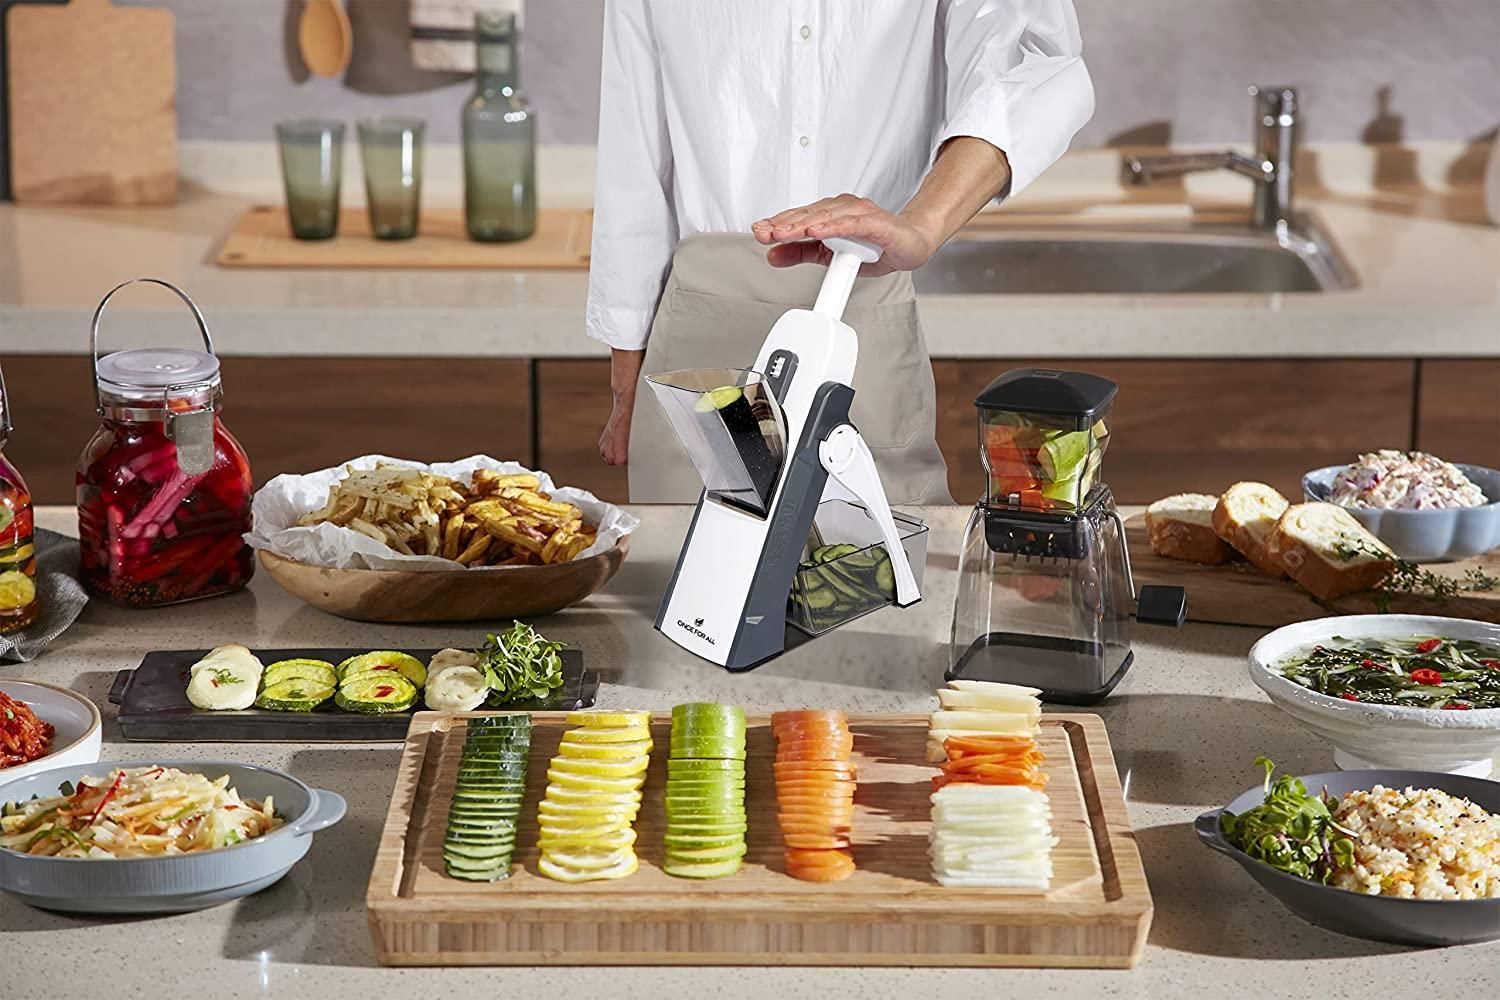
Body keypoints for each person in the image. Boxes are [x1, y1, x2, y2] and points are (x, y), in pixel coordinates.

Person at [588, 1, 1094, 504]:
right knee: (694, 551)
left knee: (878, 551)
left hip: (862, 317)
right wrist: (625, 385)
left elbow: (1035, 62)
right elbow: (633, 153)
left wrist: (922, 224)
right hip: (699, 340)